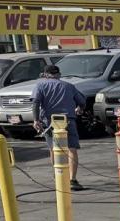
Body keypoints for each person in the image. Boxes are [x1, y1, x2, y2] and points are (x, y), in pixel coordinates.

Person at [32, 63, 88, 191]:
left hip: (50, 122)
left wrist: (36, 120)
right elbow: (82, 101)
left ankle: (58, 176)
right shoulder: (69, 86)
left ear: (45, 75)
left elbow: (35, 103)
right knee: (72, 149)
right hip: (68, 120)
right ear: (59, 75)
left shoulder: (40, 85)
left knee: (53, 149)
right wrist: (79, 108)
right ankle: (72, 179)